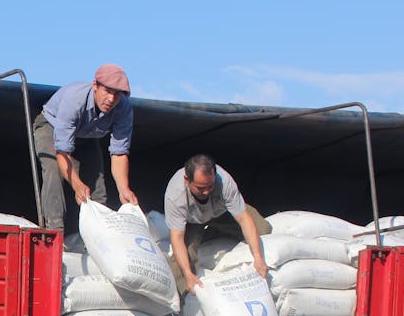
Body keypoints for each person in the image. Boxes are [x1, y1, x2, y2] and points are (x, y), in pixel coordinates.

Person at [34, 64, 137, 231]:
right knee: (53, 169)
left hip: (87, 136)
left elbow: (119, 154)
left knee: (97, 182)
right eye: (107, 91)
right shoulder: (74, 99)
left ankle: (97, 234)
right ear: (95, 85)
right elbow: (62, 152)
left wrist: (123, 188)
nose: (111, 99)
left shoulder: (124, 109)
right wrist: (76, 184)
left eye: (117, 94)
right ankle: (55, 231)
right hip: (52, 126)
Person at [164, 153, 273, 294]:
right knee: (182, 266)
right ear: (187, 180)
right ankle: (180, 303)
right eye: (200, 188)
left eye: (210, 186)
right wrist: (188, 275)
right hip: (193, 222)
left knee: (263, 229)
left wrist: (258, 258)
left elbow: (244, 219)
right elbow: (177, 238)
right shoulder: (175, 195)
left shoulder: (224, 182)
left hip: (222, 213)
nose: (206, 192)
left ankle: (213, 232)